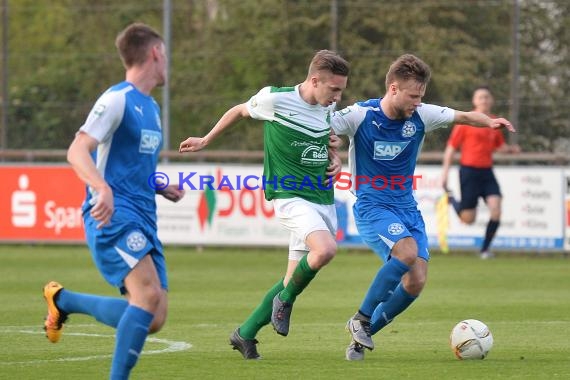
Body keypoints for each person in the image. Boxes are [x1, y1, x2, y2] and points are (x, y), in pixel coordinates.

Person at [330, 54, 515, 360]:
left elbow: (466, 116)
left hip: (406, 207)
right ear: (393, 88)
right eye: (413, 96)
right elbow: (321, 125)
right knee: (406, 253)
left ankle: (361, 339)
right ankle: (360, 318)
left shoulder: (422, 115)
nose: (418, 102)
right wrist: (330, 151)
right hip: (372, 205)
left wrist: (491, 123)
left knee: (416, 281)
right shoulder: (361, 115)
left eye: (421, 96)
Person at [179, 50, 349, 359]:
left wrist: (336, 158)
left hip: (321, 197)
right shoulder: (274, 99)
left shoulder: (327, 107)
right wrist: (206, 139)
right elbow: (240, 110)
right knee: (324, 250)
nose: (338, 96)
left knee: (291, 278)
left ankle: (244, 334)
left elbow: (326, 139)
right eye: (334, 89)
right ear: (314, 81)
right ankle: (284, 301)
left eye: (340, 90)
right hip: (289, 196)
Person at [43, 23, 185, 379]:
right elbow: (77, 150)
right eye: (165, 54)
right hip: (113, 216)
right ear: (154, 53)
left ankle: (64, 301)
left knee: (153, 317)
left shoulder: (150, 107)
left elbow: (131, 166)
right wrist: (101, 188)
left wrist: (160, 185)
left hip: (143, 217)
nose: (167, 61)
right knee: (148, 296)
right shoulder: (116, 98)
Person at [441, 86, 520, 259]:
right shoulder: (466, 121)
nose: (484, 100)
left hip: (487, 172)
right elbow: (451, 148)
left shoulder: (495, 122)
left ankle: (484, 250)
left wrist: (511, 150)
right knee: (468, 219)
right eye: (480, 97)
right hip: (469, 171)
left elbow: (499, 147)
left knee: (496, 209)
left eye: (487, 97)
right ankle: (452, 199)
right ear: (474, 101)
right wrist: (445, 173)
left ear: (491, 101)